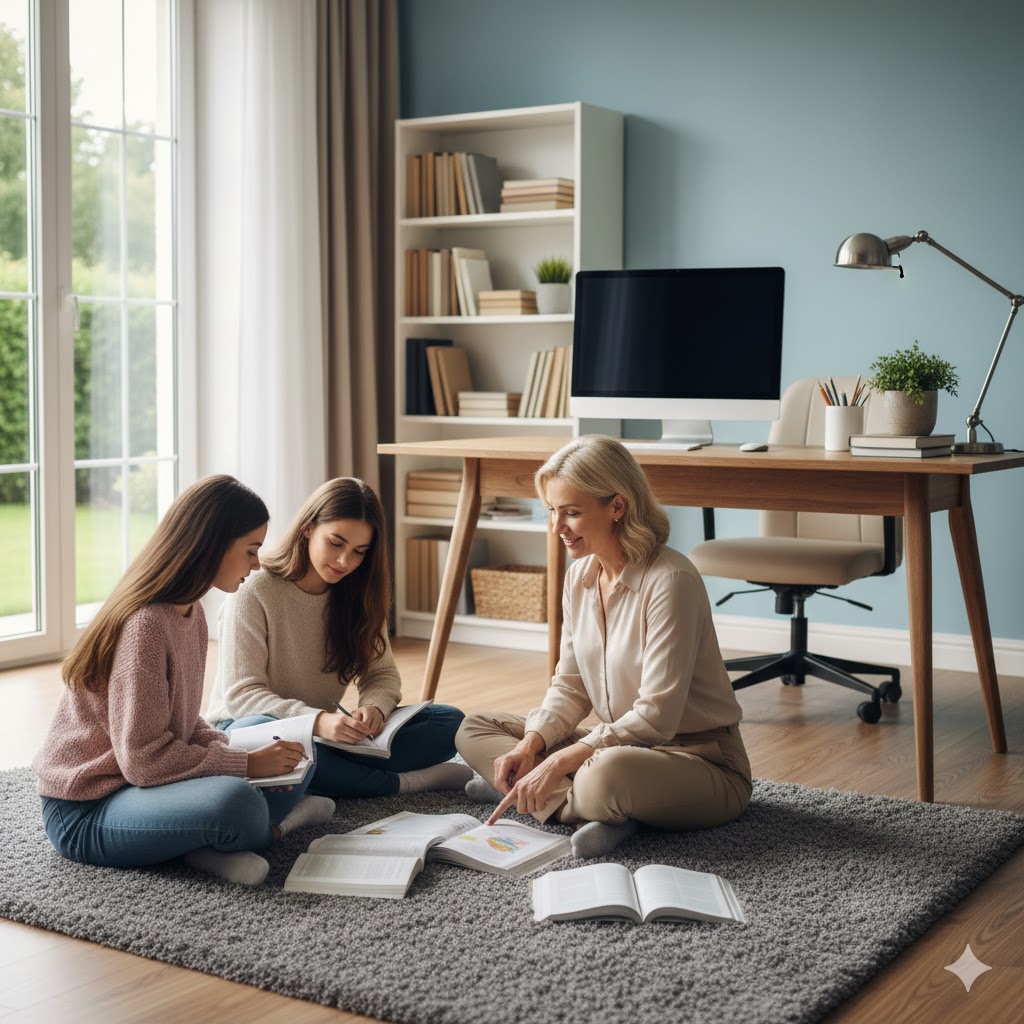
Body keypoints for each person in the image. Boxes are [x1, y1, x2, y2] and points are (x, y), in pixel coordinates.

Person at [456, 435, 752, 858]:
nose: (557, 528)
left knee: (605, 775)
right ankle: (587, 809)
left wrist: (559, 762)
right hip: (619, 745)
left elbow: (656, 717)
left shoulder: (671, 580)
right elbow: (570, 685)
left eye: (572, 513)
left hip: (699, 760)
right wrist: (531, 745)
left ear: (617, 506)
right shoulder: (579, 579)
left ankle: (542, 798)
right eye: (553, 512)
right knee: (476, 727)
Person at [35, 475, 335, 887]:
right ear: (212, 544)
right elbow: (143, 759)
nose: (256, 564)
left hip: (141, 786)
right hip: (88, 808)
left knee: (290, 741)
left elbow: (185, 724)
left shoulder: (189, 613)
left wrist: (244, 749)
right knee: (238, 804)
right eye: (250, 550)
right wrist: (246, 764)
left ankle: (196, 843)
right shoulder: (145, 626)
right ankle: (269, 831)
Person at [204, 477, 471, 798]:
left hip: (321, 734)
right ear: (308, 528)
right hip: (250, 729)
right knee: (276, 741)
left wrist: (374, 709)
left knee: (448, 721)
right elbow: (243, 696)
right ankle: (401, 784)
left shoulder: (358, 594)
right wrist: (315, 721)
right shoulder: (253, 589)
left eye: (359, 551)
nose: (346, 561)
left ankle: (327, 778)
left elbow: (382, 675)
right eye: (336, 543)